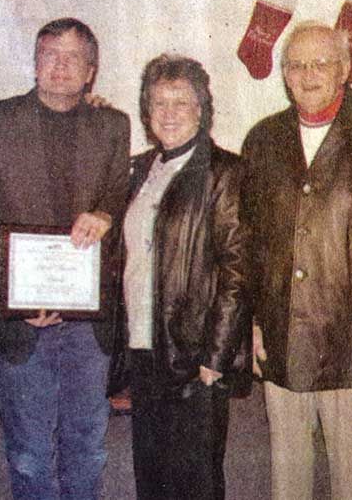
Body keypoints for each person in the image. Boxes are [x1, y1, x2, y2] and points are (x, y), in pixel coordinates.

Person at [241, 22, 352, 499]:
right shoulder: (262, 141)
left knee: (350, 483)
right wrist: (253, 320)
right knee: (289, 480)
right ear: (283, 74)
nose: (308, 74)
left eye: (321, 62)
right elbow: (250, 243)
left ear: (345, 69)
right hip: (282, 337)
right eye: (297, 64)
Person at [0, 17, 130, 500]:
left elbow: (118, 193)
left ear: (91, 70)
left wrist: (104, 213)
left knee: (87, 446)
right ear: (35, 63)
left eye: (73, 56)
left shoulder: (113, 125)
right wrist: (16, 291)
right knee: (30, 451)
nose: (61, 65)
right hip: (21, 320)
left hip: (87, 322)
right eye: (50, 54)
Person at [120, 54, 250, 500]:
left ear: (202, 109)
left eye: (182, 102)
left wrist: (216, 357)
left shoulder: (224, 173)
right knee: (151, 474)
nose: (169, 113)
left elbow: (237, 272)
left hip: (194, 355)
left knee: (195, 480)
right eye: (159, 103)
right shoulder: (139, 170)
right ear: (146, 111)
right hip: (143, 346)